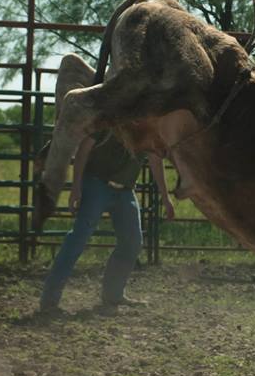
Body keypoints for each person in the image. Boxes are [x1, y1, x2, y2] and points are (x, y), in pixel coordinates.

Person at [39, 132, 174, 312]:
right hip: (96, 182)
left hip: (125, 190)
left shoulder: (147, 126)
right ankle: (49, 301)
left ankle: (113, 295)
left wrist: (165, 197)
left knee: (132, 242)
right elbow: (83, 150)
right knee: (79, 238)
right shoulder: (109, 118)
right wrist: (76, 187)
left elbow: (156, 160)